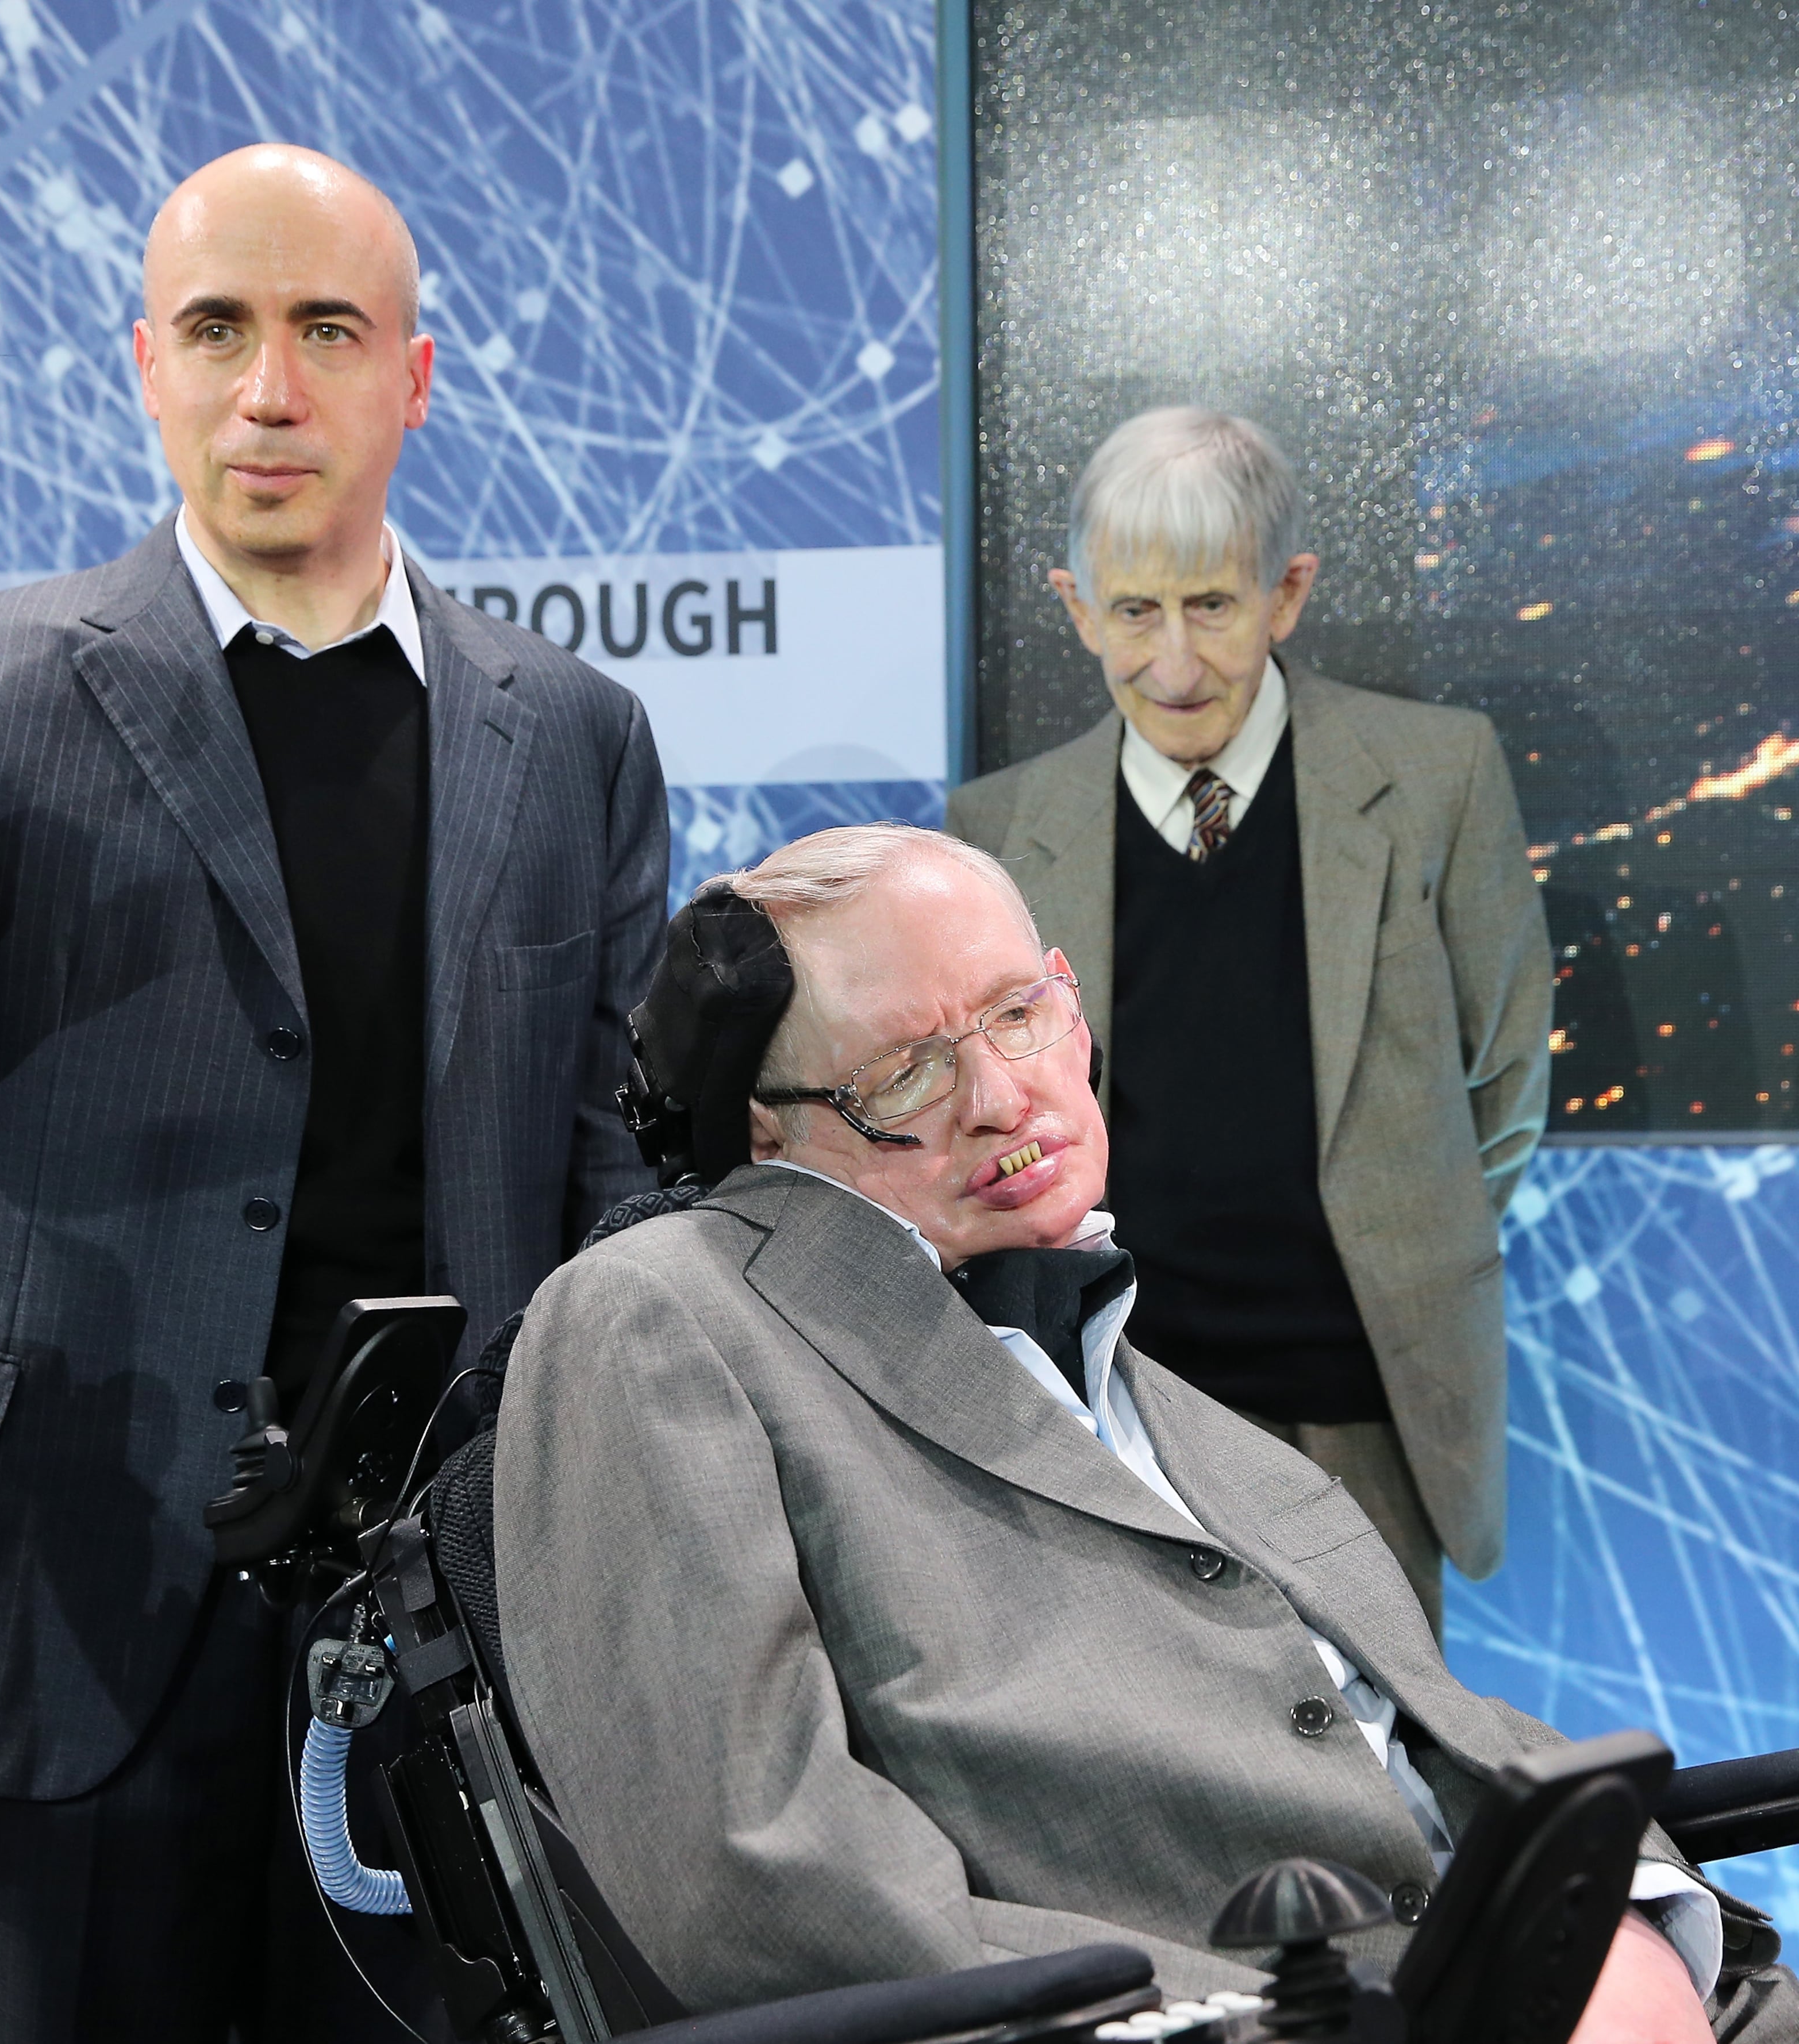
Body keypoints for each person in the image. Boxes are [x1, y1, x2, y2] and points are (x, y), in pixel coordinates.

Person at [0, 145, 667, 2044]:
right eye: (217, 330)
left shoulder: (570, 731)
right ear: (145, 362)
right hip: (56, 1579)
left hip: (432, 1624)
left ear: (419, 371)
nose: (269, 390)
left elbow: (608, 1180)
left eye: (327, 330)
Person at [497, 827, 1788, 2035]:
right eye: (905, 1071)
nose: (1005, 1098)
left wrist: (1631, 1917)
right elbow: (760, 1877)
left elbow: (1425, 1725)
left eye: (1018, 1013)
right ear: (771, 1129)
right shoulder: (658, 1317)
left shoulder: (1129, 1374)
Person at [946, 409, 1552, 1633]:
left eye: (1212, 607)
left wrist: (1394, 1221)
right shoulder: (996, 829)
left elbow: (1501, 1086)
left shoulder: (1438, 778)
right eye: (1133, 613)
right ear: (1077, 608)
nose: (1173, 665)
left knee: (1402, 1785)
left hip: (1363, 1412)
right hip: (1117, 1410)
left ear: (1287, 595)